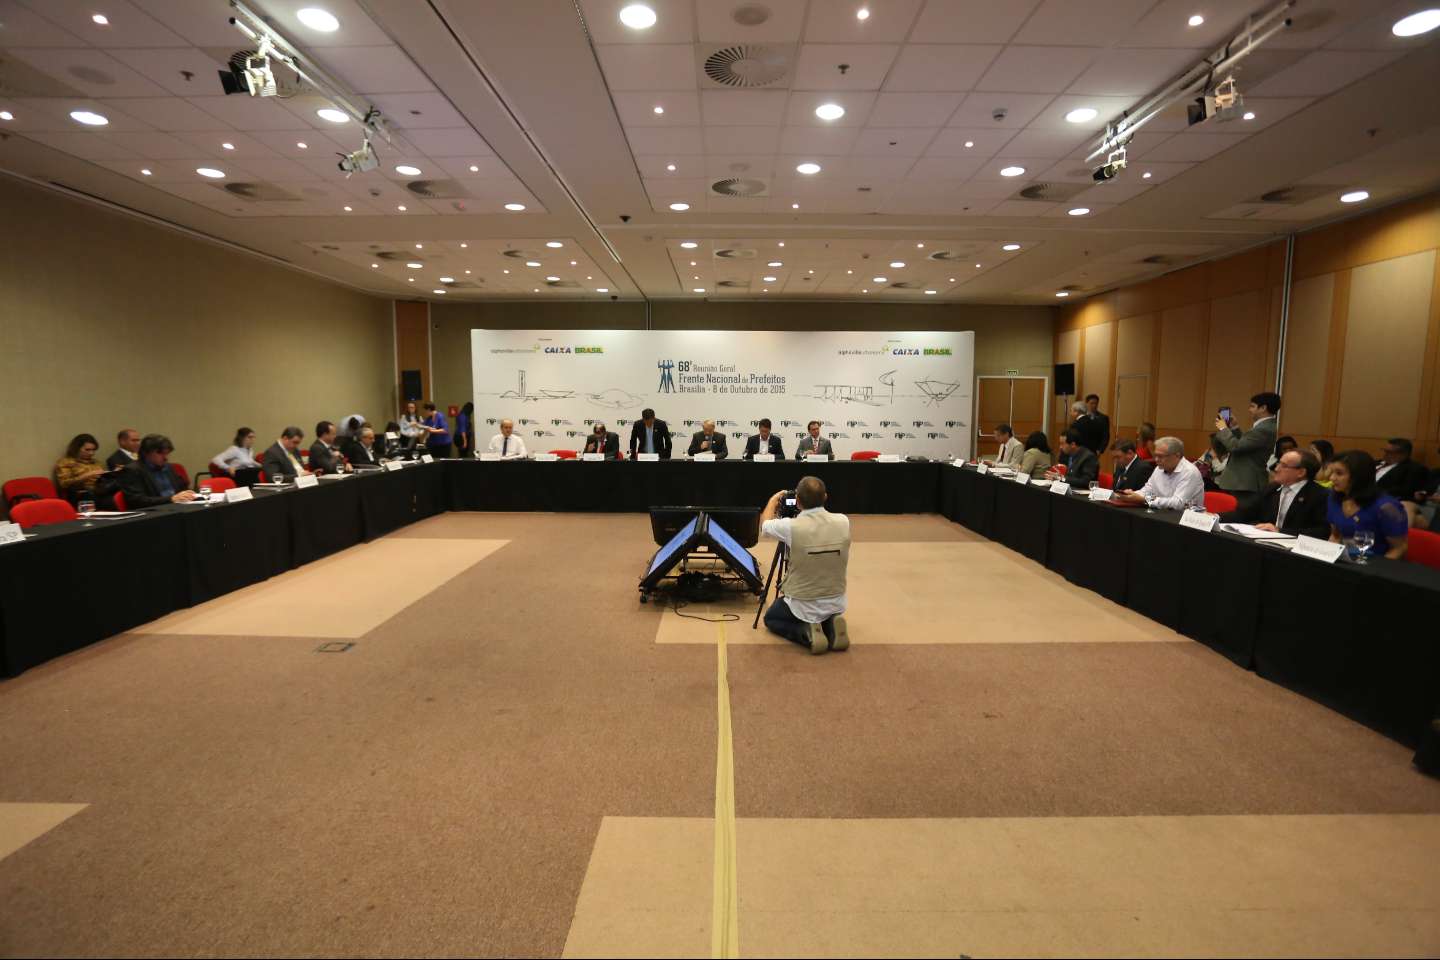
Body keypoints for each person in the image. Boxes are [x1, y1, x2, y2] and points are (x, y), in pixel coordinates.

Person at [759, 476, 850, 655]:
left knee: (771, 618)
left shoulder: (791, 527)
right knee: (824, 612)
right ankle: (830, 625)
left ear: (798, 501)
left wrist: (773, 500)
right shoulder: (843, 521)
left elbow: (765, 525)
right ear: (825, 497)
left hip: (802, 602)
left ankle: (807, 632)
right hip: (836, 600)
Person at [1219, 450, 1330, 538]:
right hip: (1266, 544)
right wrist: (1216, 517)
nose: (1276, 469)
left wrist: (1280, 531)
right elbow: (1246, 512)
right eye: (1278, 463)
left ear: (1301, 472)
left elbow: (1322, 531)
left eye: (1283, 465)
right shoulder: (1272, 488)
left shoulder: (1319, 495)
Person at [1327, 450, 1409, 560]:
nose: (1331, 478)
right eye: (1331, 472)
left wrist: (1376, 569)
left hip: (1375, 563)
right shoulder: (1334, 498)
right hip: (1346, 560)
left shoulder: (1387, 507)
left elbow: (1399, 548)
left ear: (1359, 476)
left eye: (1339, 473)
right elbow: (1335, 535)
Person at [1214, 391, 1280, 494]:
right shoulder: (1264, 426)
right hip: (1242, 482)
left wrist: (1223, 428)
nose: (1249, 410)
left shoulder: (1263, 429)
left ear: (1263, 408)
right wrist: (1235, 427)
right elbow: (1245, 445)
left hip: (1245, 483)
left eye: (1252, 406)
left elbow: (1236, 447)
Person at [1114, 436, 1204, 511]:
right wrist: (1132, 495)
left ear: (1177, 455)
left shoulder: (1190, 472)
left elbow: (1178, 503)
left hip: (1186, 520)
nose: (1156, 460)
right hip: (1163, 515)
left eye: (1160, 456)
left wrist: (1145, 499)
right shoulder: (1159, 469)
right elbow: (1146, 491)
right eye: (1156, 455)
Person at [117, 434, 196, 507]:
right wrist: (170, 499)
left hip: (177, 507)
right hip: (153, 512)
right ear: (146, 453)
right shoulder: (132, 470)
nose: (166, 458)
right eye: (161, 453)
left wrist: (188, 493)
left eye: (167, 453)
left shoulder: (168, 467)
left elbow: (181, 489)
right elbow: (136, 500)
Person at [55, 433, 109, 504]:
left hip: (99, 491)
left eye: (93, 450)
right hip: (80, 495)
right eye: (87, 450)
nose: (91, 453)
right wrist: (86, 476)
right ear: (77, 448)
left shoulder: (96, 463)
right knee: (108, 501)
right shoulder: (65, 462)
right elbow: (64, 484)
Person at [1374, 438, 1430, 503]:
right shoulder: (1376, 463)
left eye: (1389, 452)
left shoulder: (1414, 469)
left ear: (1404, 454)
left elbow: (1405, 491)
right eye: (1385, 450)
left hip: (1383, 500)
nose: (1385, 454)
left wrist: (1372, 491)